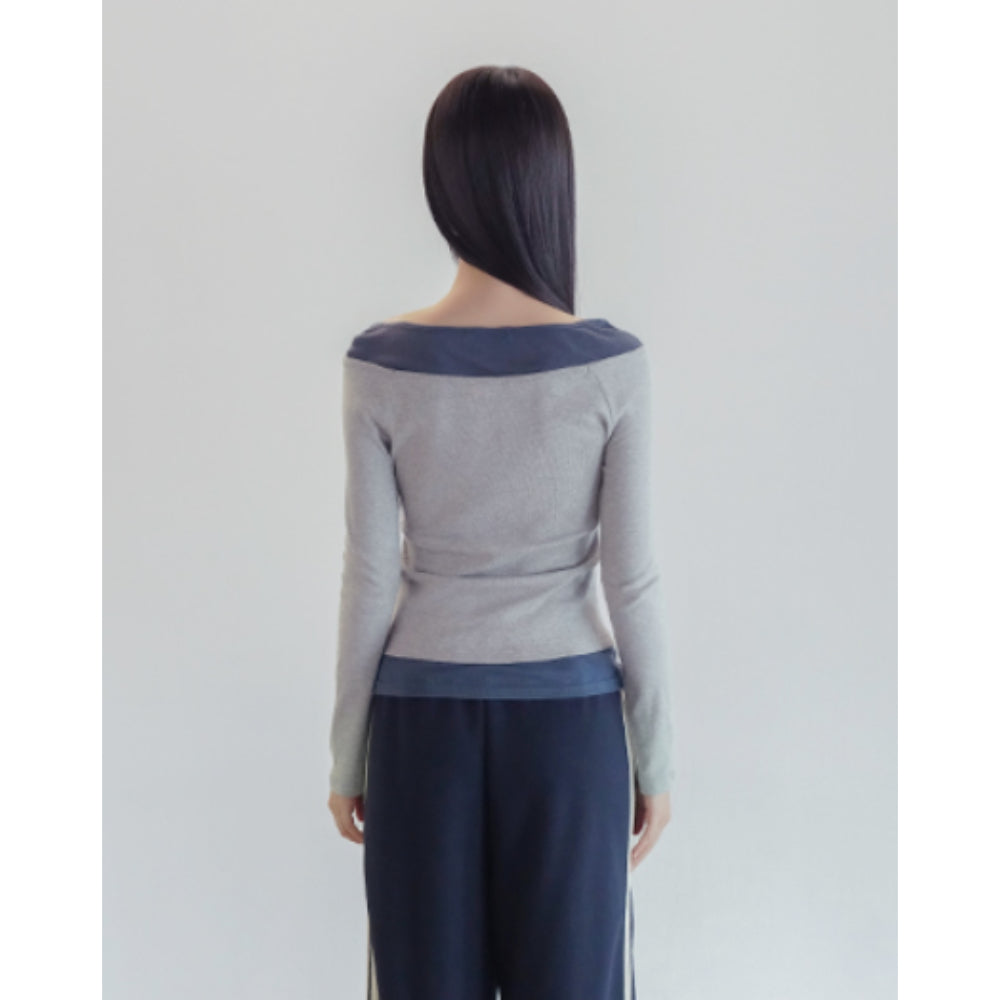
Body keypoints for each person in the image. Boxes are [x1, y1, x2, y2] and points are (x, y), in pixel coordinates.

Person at [326, 64, 676, 1000]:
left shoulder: (380, 364)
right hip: (570, 731)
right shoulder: (613, 366)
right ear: (552, 184)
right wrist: (655, 757)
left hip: (419, 727)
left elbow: (369, 576)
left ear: (442, 184)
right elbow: (631, 581)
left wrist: (347, 754)